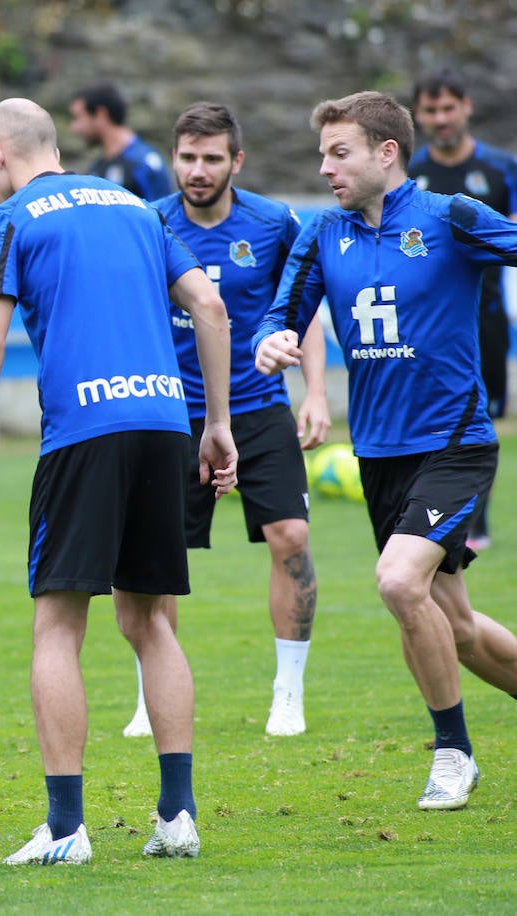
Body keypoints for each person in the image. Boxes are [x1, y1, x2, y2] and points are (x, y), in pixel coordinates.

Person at [0, 98, 237, 865]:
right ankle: (178, 817)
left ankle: (67, 830)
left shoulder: (10, 219)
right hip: (167, 423)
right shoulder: (138, 208)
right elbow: (208, 303)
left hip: (85, 431)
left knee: (58, 625)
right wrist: (217, 423)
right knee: (150, 622)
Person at [254, 90, 517, 812]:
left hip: (456, 441)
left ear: (385, 153)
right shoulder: (320, 234)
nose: (326, 168)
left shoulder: (450, 217)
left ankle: (453, 753)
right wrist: (270, 341)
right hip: (380, 453)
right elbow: (280, 317)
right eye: (322, 155)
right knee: (455, 627)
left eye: (340, 153)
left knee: (399, 583)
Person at [120, 102, 330, 741]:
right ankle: (147, 696)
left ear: (236, 161)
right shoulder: (146, 223)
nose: (198, 169)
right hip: (169, 414)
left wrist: (315, 392)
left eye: (213, 158)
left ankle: (287, 693)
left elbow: (305, 307)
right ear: (174, 157)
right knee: (157, 558)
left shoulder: (274, 223)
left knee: (290, 537)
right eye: (188, 157)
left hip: (258, 405)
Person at [408, 67, 517, 552]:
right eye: (431, 110)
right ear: (419, 116)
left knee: (483, 417)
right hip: (430, 324)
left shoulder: (500, 169)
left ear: (466, 108)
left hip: (486, 317)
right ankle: (435, 515)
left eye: (448, 107)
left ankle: (477, 523)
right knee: (433, 414)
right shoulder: (410, 173)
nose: (440, 118)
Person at [68, 81, 173, 200]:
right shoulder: (96, 168)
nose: (74, 127)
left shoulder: (144, 163)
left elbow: (163, 213)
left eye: (78, 117)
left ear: (100, 114)